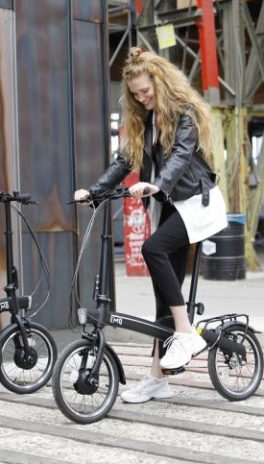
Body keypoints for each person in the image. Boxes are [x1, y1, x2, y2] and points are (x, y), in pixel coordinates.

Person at [74, 47, 227, 404]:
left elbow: (180, 157)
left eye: (147, 91)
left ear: (161, 81)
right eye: (137, 95)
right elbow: (124, 161)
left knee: (151, 248)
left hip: (196, 204)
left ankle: (186, 333)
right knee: (163, 298)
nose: (143, 99)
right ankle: (159, 379)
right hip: (170, 207)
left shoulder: (183, 114)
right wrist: (94, 191)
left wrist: (158, 184)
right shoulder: (145, 123)